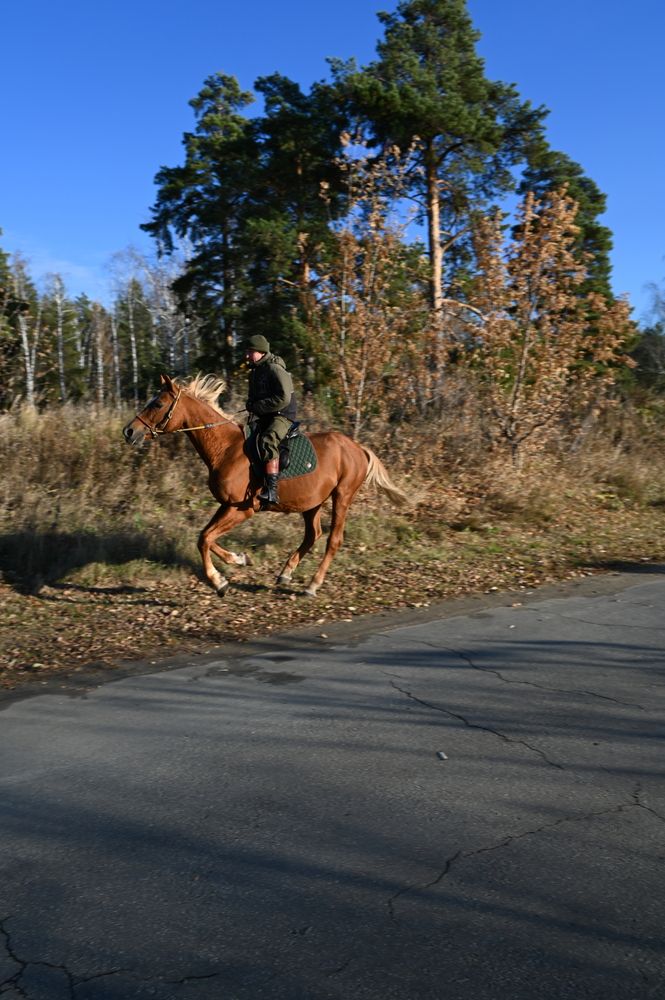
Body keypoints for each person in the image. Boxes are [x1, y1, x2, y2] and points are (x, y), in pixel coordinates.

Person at [244, 334, 297, 505]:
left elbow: (284, 398)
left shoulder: (274, 368)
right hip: (267, 414)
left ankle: (272, 491)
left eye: (250, 351)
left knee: (268, 439)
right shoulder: (255, 372)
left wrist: (258, 406)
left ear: (260, 352)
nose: (246, 355)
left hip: (283, 415)